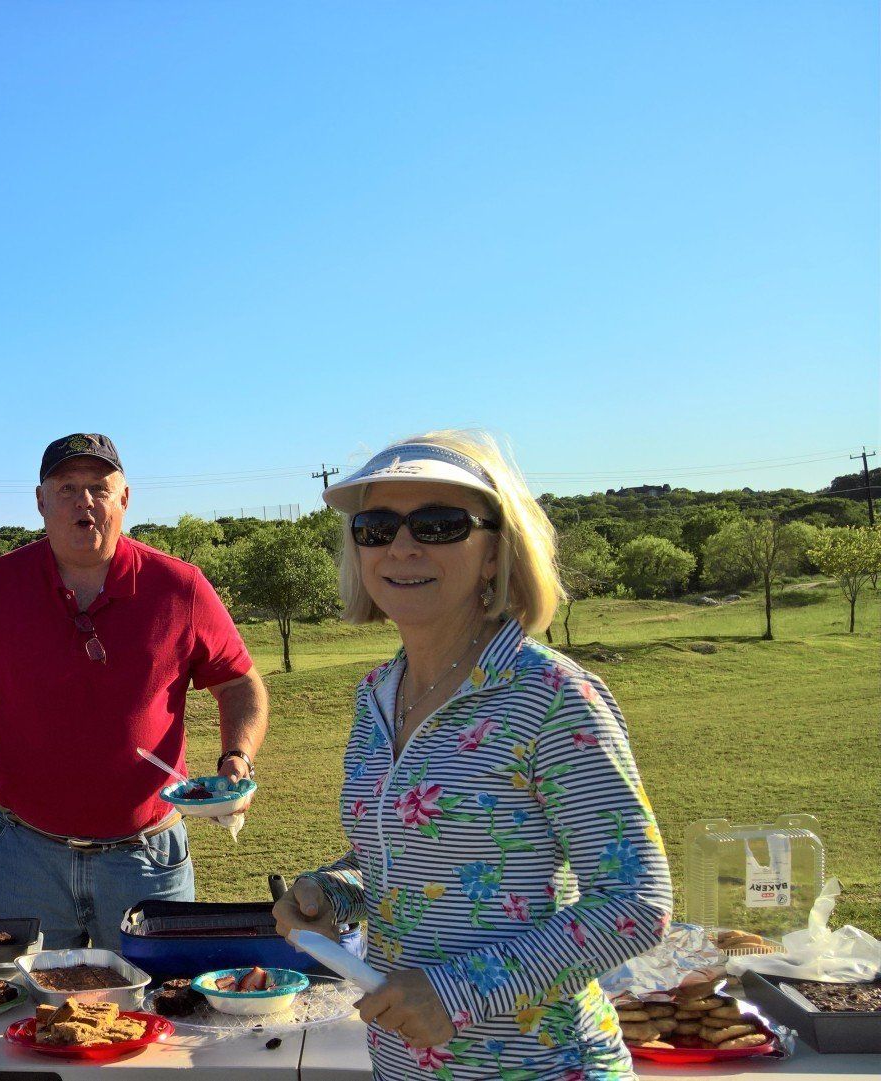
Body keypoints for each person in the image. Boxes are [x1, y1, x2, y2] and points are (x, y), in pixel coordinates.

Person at [274, 431, 671, 1080]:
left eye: (438, 523)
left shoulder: (552, 696)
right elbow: (406, 855)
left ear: (494, 552)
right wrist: (332, 894)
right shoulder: (376, 693)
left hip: (544, 1064)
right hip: (407, 1064)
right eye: (375, 526)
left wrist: (455, 993)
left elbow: (635, 901)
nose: (402, 545)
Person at [0, 433, 270, 950]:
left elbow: (239, 683)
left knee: (156, 1011)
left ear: (125, 499)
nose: (84, 501)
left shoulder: (180, 587)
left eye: (99, 488)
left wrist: (238, 756)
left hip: (146, 859)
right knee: (21, 1014)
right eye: (66, 487)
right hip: (21, 857)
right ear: (40, 501)